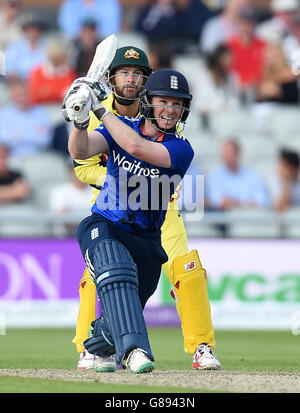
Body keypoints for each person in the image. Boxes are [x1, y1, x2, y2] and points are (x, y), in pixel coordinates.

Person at [66, 46, 220, 373]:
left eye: (137, 74)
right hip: (114, 208)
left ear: (146, 81)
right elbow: (82, 162)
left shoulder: (159, 112)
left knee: (186, 269)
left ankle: (201, 346)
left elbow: (139, 147)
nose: (131, 79)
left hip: (162, 208)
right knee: (103, 272)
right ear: (111, 77)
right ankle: (88, 348)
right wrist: (79, 120)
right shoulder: (96, 103)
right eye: (124, 72)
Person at [206, 138, 271, 211]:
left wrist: (234, 203)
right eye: (224, 152)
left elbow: (262, 201)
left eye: (229, 152)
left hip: (250, 219)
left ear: (238, 153)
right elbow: (216, 201)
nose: (226, 156)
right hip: (225, 219)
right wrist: (246, 203)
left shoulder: (253, 175)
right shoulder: (215, 175)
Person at [0, 77, 53, 159]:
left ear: (29, 93)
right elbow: (4, 140)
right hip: (13, 158)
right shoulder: (4, 114)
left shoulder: (41, 113)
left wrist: (17, 135)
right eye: (17, 95)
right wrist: (33, 133)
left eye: (23, 94)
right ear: (12, 95)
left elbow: (45, 140)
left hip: (39, 157)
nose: (20, 98)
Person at [28, 34, 76, 105]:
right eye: (55, 58)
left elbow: (71, 96)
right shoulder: (38, 72)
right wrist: (59, 94)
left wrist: (48, 93)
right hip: (42, 109)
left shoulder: (69, 72)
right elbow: (35, 97)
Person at [49, 159, 92, 236]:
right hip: (67, 239)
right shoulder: (59, 191)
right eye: (73, 169)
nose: (76, 173)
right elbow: (64, 222)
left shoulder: (98, 191)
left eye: (81, 168)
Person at [5, 11, 47, 80]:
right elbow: (10, 71)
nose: (33, 32)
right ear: (24, 30)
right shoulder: (14, 47)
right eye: (29, 29)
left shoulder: (48, 46)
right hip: (19, 85)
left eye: (37, 29)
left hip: (42, 84)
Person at [57, 0, 122, 40]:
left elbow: (111, 29)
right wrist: (84, 35)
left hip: (103, 42)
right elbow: (67, 29)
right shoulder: (70, 3)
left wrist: (93, 35)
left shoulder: (110, 2)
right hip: (76, 45)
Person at [270, 148, 300, 212]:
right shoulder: (274, 180)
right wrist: (287, 182)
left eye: (283, 165)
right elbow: (279, 208)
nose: (279, 168)